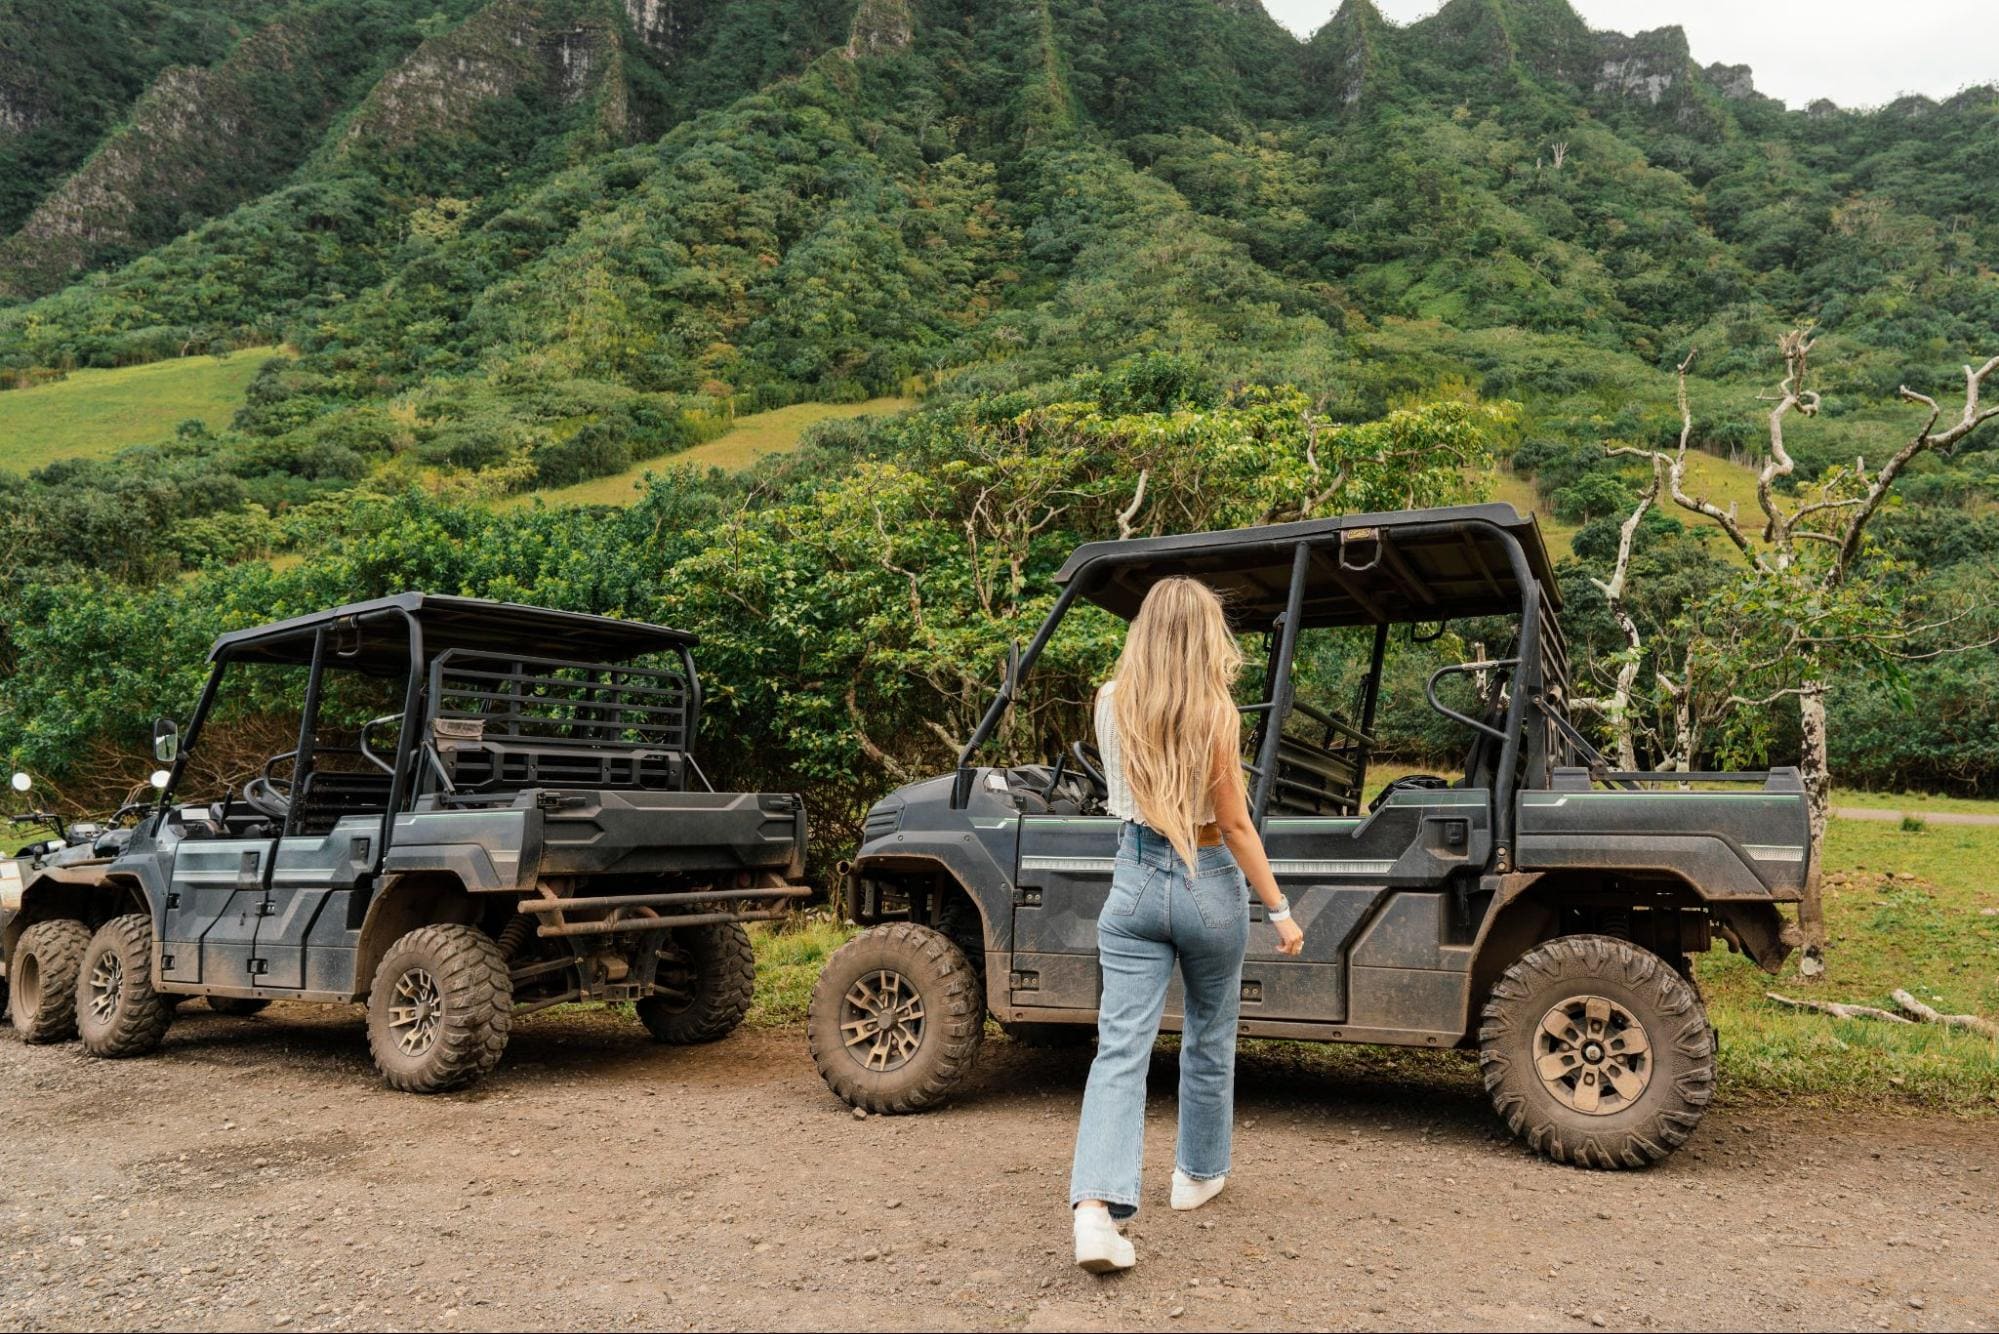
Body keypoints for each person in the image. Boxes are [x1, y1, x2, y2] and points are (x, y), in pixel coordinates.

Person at [1068, 576, 1305, 1274]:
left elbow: (1130, 792)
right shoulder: (1215, 712)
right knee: (1209, 1035)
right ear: (1205, 635)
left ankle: (1095, 1211)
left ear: (1143, 628)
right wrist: (1280, 911)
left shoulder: (1109, 700)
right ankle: (1194, 1175)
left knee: (1119, 1048)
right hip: (1207, 883)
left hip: (1135, 879)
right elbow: (1233, 823)